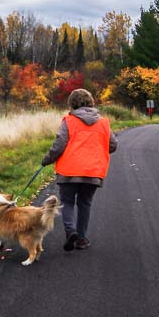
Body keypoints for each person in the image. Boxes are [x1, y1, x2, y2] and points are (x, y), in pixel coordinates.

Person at [42, 89, 118, 251]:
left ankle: (70, 232)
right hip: (93, 171)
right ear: (91, 102)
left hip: (69, 170)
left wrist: (47, 160)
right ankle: (82, 239)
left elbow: (58, 145)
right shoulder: (104, 123)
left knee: (68, 202)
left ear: (72, 103)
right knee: (85, 203)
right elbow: (113, 145)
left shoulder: (69, 121)